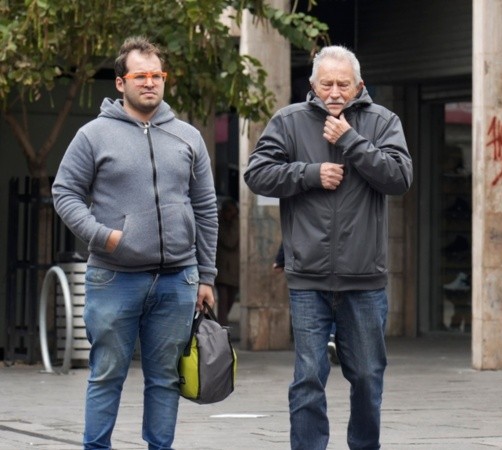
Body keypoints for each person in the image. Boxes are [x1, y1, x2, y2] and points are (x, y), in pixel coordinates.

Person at [52, 36, 218, 450]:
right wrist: (102, 236)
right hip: (114, 277)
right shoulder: (93, 136)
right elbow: (64, 193)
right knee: (107, 374)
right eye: (140, 75)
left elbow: (206, 208)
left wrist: (206, 275)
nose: (150, 83)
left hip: (177, 280)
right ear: (120, 83)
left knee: (164, 378)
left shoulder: (188, 137)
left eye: (156, 75)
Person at [244, 45, 413, 450]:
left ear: (359, 86)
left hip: (364, 278)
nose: (334, 92)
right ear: (312, 85)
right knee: (307, 377)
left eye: (343, 84)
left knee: (369, 377)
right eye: (326, 84)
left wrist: (352, 141)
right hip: (308, 277)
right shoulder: (289, 122)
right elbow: (257, 174)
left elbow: (399, 178)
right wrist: (309, 173)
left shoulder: (383, 122)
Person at [216, 198, 240, 326]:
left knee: (230, 299)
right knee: (223, 302)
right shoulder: (220, 223)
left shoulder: (237, 222)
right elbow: (229, 241)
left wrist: (235, 221)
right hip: (222, 269)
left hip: (235, 269)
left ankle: (222, 325)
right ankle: (222, 327)